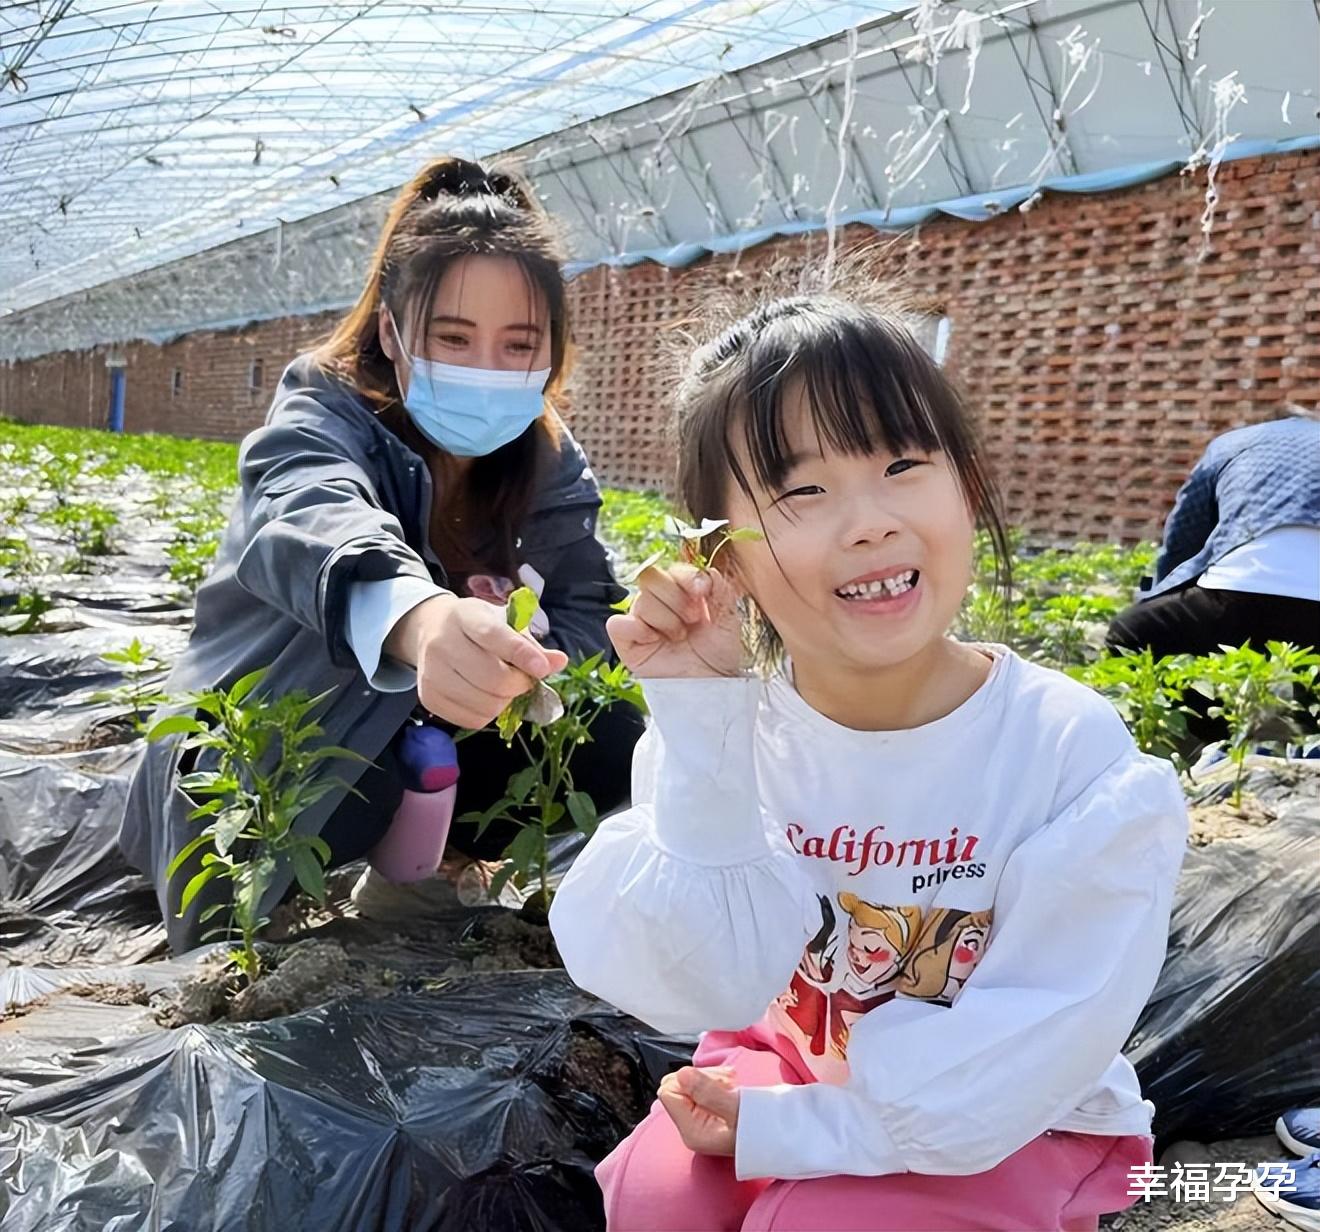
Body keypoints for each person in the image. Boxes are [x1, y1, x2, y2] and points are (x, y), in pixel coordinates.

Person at [549, 294, 1189, 1231]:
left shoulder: (1066, 753)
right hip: (793, 1059)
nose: (868, 522)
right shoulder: (741, 729)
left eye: (902, 464)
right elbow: (699, 986)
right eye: (801, 490)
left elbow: (1017, 1060)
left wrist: (794, 1134)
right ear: (721, 556)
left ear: (965, 486)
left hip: (1009, 1114)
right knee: (653, 1204)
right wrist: (697, 718)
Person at [121, 156, 642, 951]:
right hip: (286, 724)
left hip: (446, 722)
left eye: (518, 344)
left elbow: (584, 605)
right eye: (454, 337)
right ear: (394, 332)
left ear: (552, 351)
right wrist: (425, 622)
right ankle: (279, 926)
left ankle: (436, 869)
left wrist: (524, 656)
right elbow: (311, 516)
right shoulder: (324, 411)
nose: (486, 370)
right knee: (332, 791)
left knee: (610, 740)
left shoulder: (544, 453)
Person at [1107, 413, 1320, 660]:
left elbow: (1184, 537)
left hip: (1235, 596)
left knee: (1128, 634)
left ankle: (1197, 700)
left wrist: (1162, 592)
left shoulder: (1233, 444)